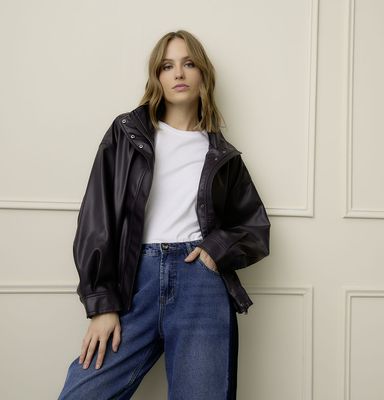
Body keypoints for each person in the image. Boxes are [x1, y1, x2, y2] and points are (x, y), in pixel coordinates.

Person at [58, 29, 270, 400]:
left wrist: (215, 249)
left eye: (189, 64)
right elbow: (97, 217)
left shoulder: (223, 156)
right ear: (157, 76)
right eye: (167, 66)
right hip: (134, 280)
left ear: (203, 74)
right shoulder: (127, 134)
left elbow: (254, 227)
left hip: (200, 285)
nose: (179, 73)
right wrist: (102, 305)